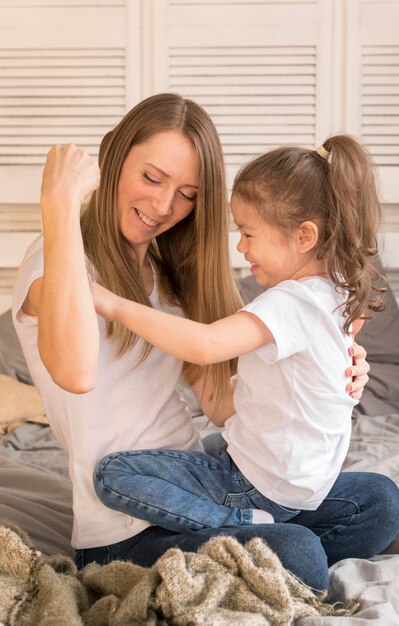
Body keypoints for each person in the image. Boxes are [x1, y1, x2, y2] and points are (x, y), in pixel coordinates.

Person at [12, 92, 372, 592]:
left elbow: (222, 406)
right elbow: (75, 372)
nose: (163, 206)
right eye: (151, 178)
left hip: (198, 478)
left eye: (188, 193)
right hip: (124, 526)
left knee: (377, 501)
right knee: (300, 554)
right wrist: (58, 204)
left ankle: (251, 534)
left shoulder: (166, 274)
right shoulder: (56, 265)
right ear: (112, 158)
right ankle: (261, 543)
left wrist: (321, 377)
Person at [91, 135, 399, 567]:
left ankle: (240, 522)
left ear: (303, 237)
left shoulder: (289, 301)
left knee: (114, 473)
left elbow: (204, 344)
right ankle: (285, 546)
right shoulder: (337, 291)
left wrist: (112, 304)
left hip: (256, 485)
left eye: (248, 233)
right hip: (296, 486)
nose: (240, 247)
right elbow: (285, 389)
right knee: (383, 501)